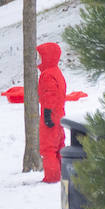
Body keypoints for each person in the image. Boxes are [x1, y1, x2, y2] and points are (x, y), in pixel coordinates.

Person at [36, 41, 68, 183]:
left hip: (50, 114)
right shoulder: (57, 72)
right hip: (60, 114)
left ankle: (52, 177)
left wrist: (48, 114)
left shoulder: (47, 75)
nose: (38, 60)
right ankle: (63, 173)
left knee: (48, 148)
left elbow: (49, 94)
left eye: (40, 57)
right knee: (59, 145)